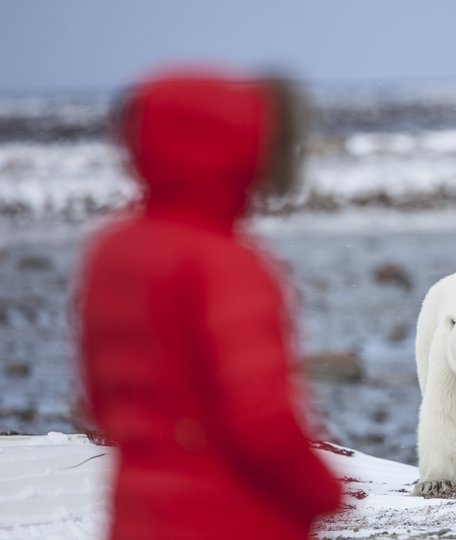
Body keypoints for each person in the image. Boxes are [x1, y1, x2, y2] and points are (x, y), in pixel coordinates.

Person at [78, 68, 342, 539]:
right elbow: (260, 421)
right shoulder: (228, 265)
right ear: (239, 145)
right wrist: (322, 493)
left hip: (138, 516)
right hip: (231, 519)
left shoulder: (109, 252)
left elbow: (101, 401)